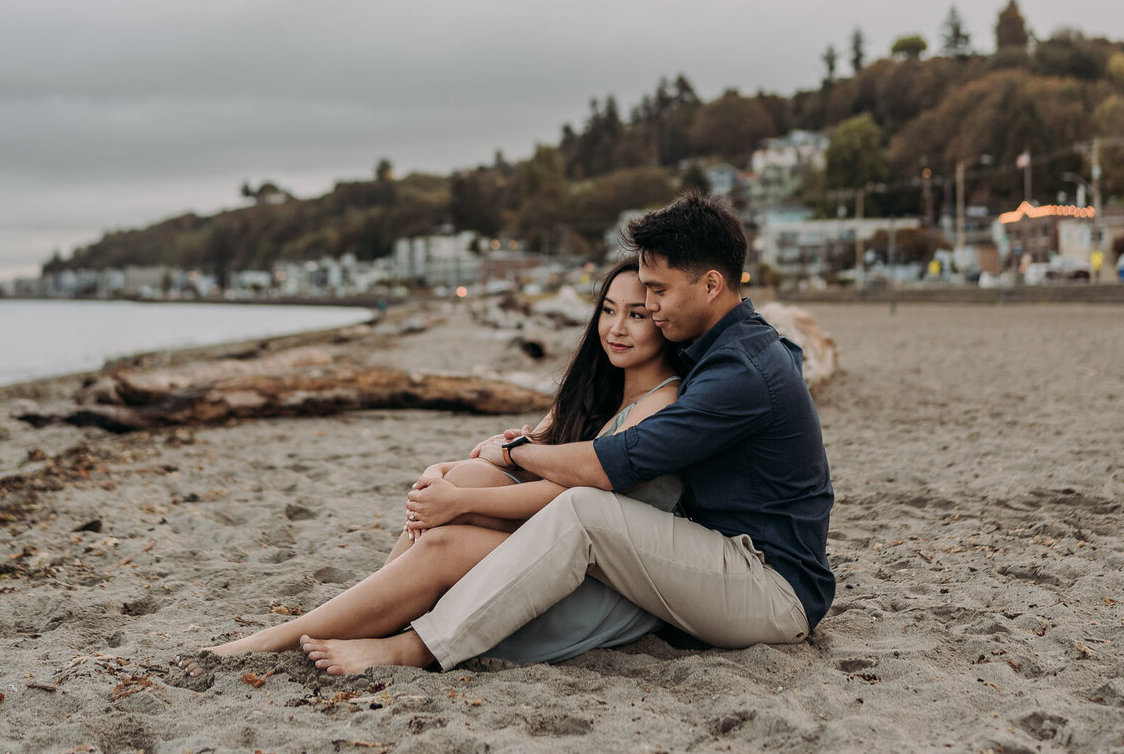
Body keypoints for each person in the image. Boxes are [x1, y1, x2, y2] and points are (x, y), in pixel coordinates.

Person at [278, 190, 835, 674]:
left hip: (770, 588)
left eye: (658, 294)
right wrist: (503, 460)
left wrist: (518, 451)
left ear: (712, 284)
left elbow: (609, 464)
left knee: (583, 511)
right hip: (714, 557)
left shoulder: (741, 371)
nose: (651, 309)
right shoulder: (717, 350)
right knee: (490, 490)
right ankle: (380, 607)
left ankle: (415, 648)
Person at [174, 258, 684, 674]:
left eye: (636, 315)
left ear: (664, 320)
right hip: (553, 545)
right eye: (609, 311)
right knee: (465, 477)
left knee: (447, 532)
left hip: (594, 583)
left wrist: (458, 504)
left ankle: (284, 638)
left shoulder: (663, 404)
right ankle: (374, 607)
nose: (616, 329)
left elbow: (569, 500)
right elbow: (527, 455)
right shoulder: (597, 389)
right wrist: (446, 474)